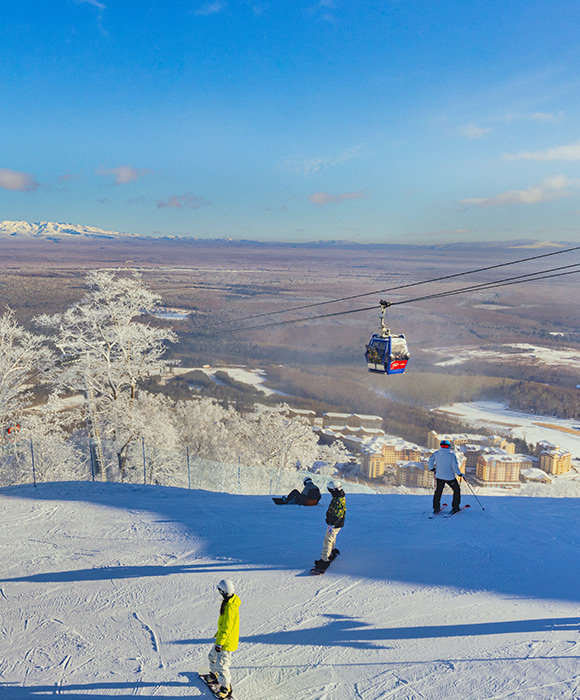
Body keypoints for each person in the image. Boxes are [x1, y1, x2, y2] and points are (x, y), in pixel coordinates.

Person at [207, 578, 241, 699]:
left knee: (222, 665)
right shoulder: (229, 601)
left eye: (220, 591)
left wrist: (220, 644)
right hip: (222, 639)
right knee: (212, 657)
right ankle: (214, 675)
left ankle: (226, 688)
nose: (219, 593)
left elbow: (226, 628)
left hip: (225, 642)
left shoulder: (230, 608)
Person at [313, 480, 346, 572]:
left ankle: (324, 560)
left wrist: (330, 522)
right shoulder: (340, 496)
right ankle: (332, 551)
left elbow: (337, 515)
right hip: (337, 524)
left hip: (334, 524)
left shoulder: (337, 500)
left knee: (328, 540)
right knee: (332, 537)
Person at [428, 439, 463, 514]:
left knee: (438, 491)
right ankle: (455, 507)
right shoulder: (451, 455)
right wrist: (459, 474)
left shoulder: (436, 453)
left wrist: (432, 469)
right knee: (456, 490)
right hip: (450, 477)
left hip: (439, 476)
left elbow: (430, 461)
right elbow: (455, 467)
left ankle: (436, 508)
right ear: (448, 447)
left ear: (440, 446)